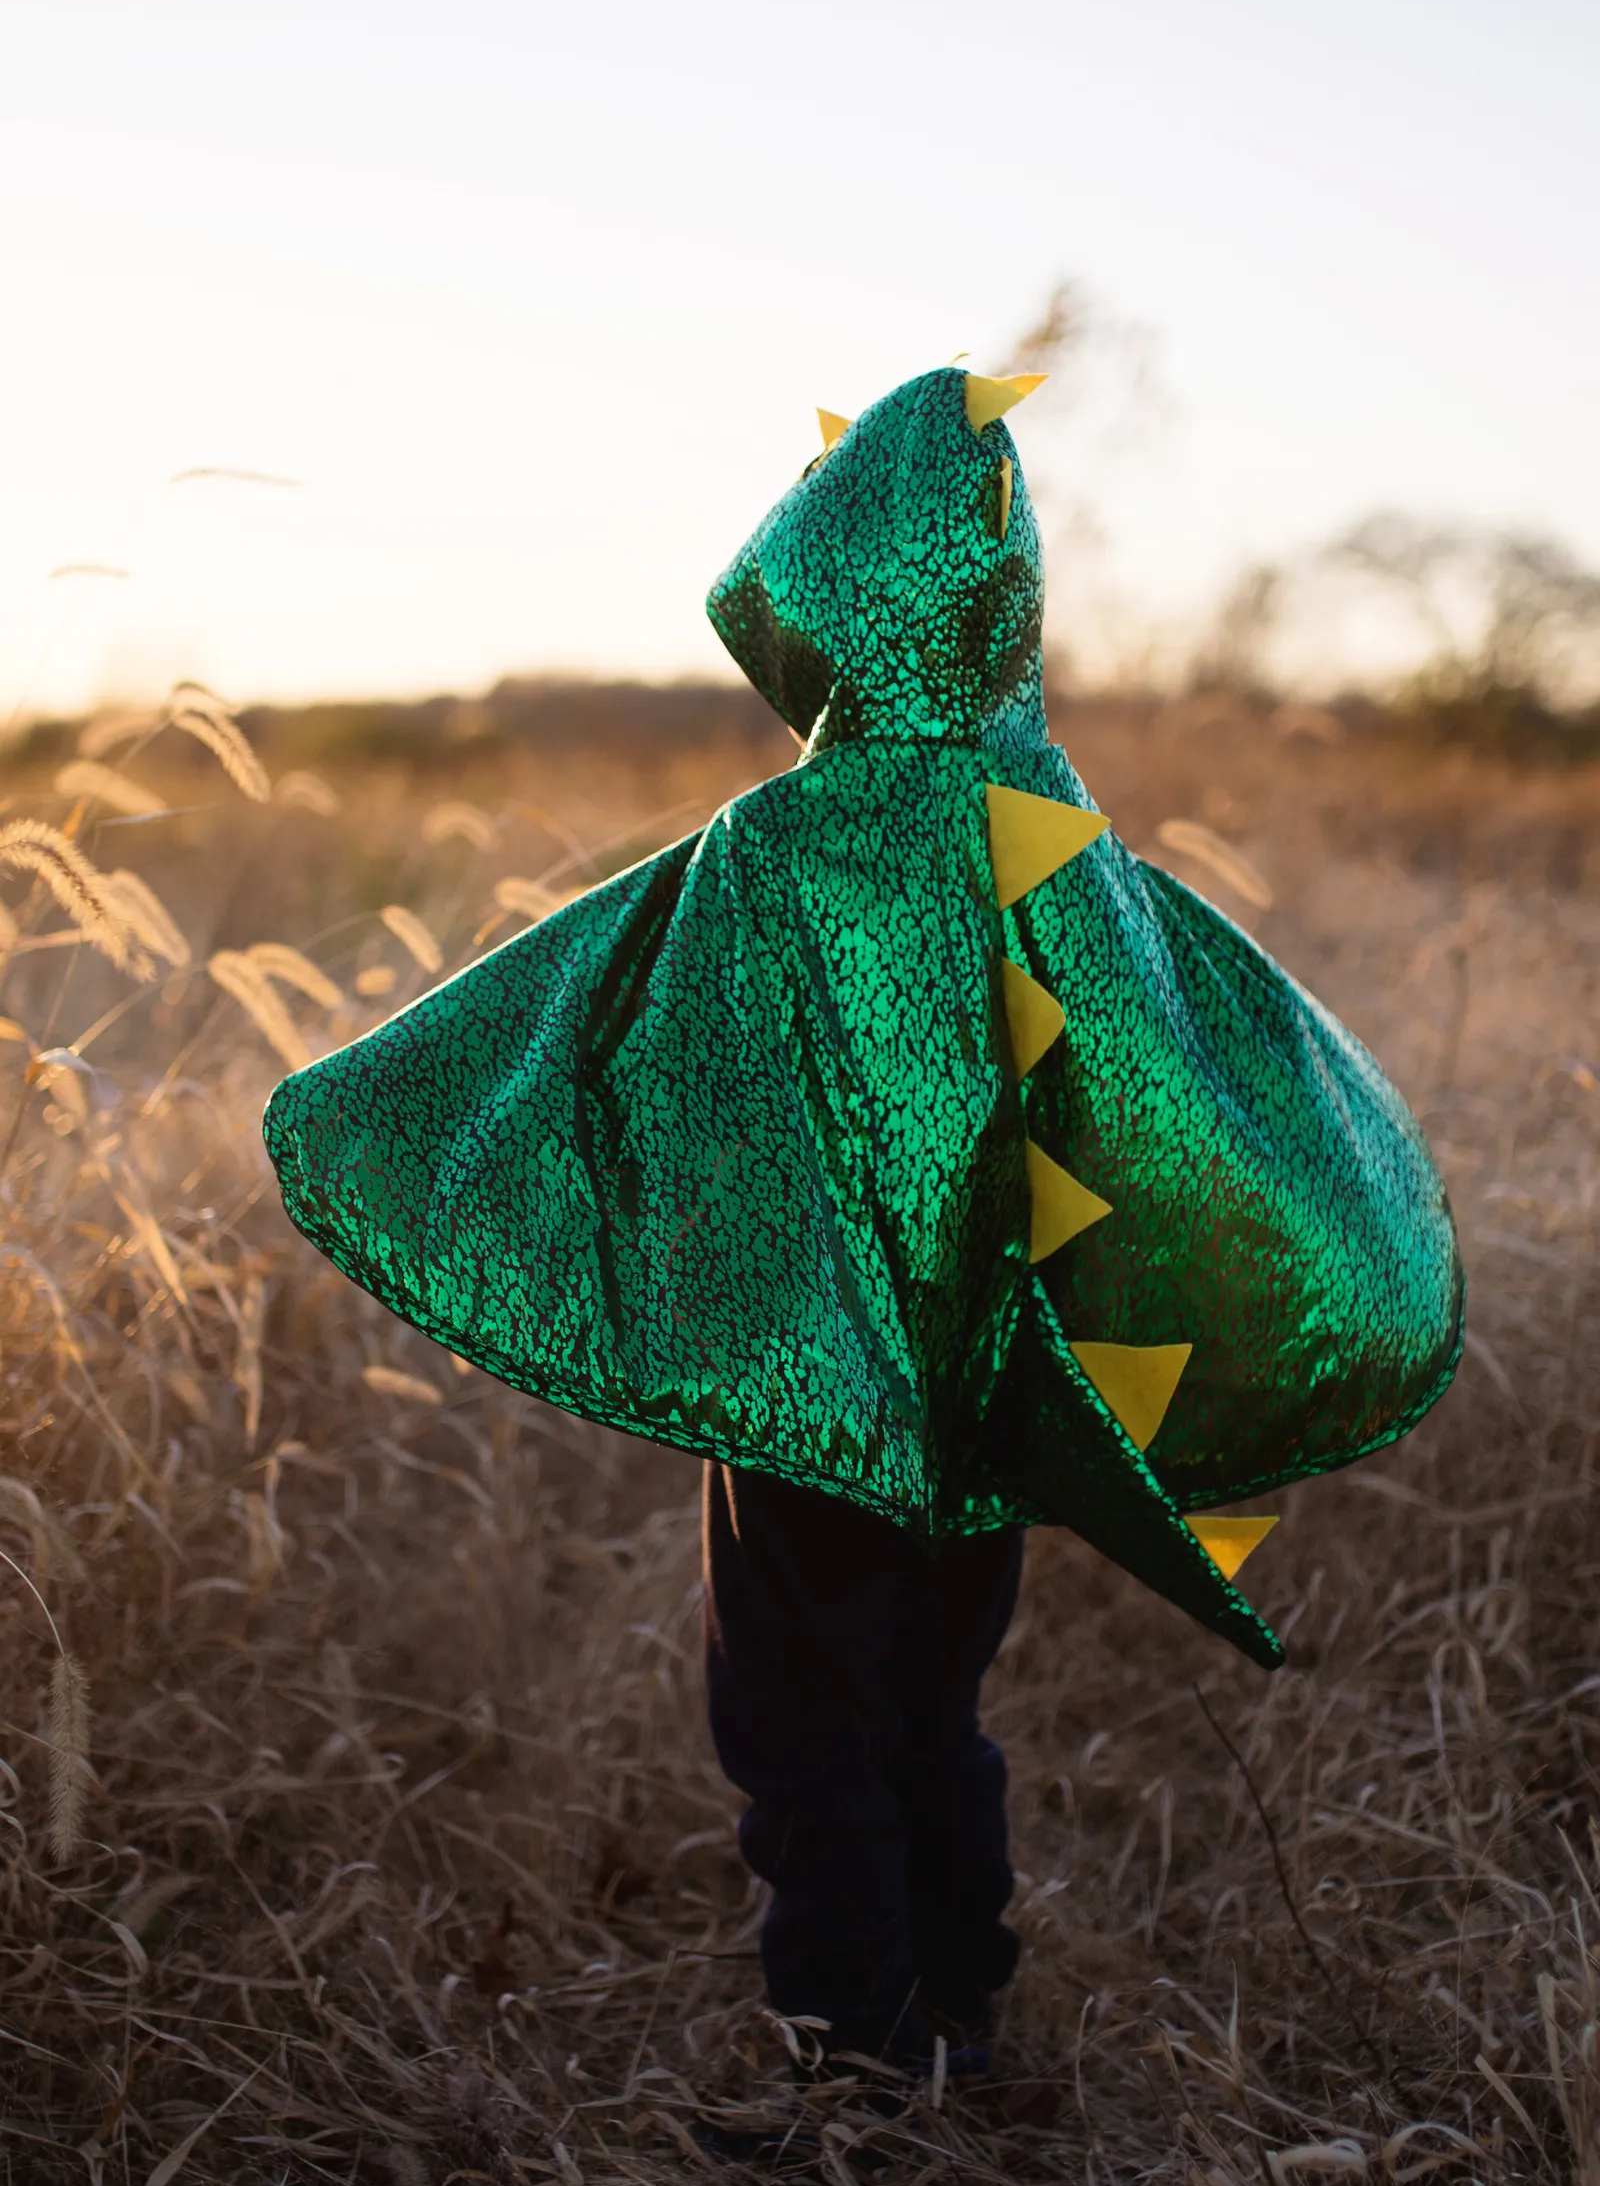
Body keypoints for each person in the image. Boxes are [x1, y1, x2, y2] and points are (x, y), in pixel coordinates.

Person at [263, 364, 1463, 2073]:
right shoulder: (1059, 838)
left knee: (796, 1717)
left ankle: (857, 2056)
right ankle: (962, 1997)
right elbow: (1176, 1068)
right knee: (931, 1702)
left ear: (826, 589)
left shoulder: (780, 848)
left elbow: (584, 1028)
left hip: (807, 1397)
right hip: (991, 1398)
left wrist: (359, 1111)